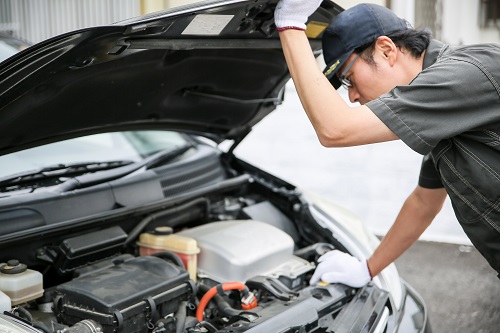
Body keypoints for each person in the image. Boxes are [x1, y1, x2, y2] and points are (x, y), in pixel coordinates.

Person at [274, 1, 500, 287]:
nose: (352, 97)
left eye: (348, 79)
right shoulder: (445, 111)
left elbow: (335, 129)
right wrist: (367, 269)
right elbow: (423, 202)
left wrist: (290, 25)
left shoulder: (463, 76)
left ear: (386, 50)